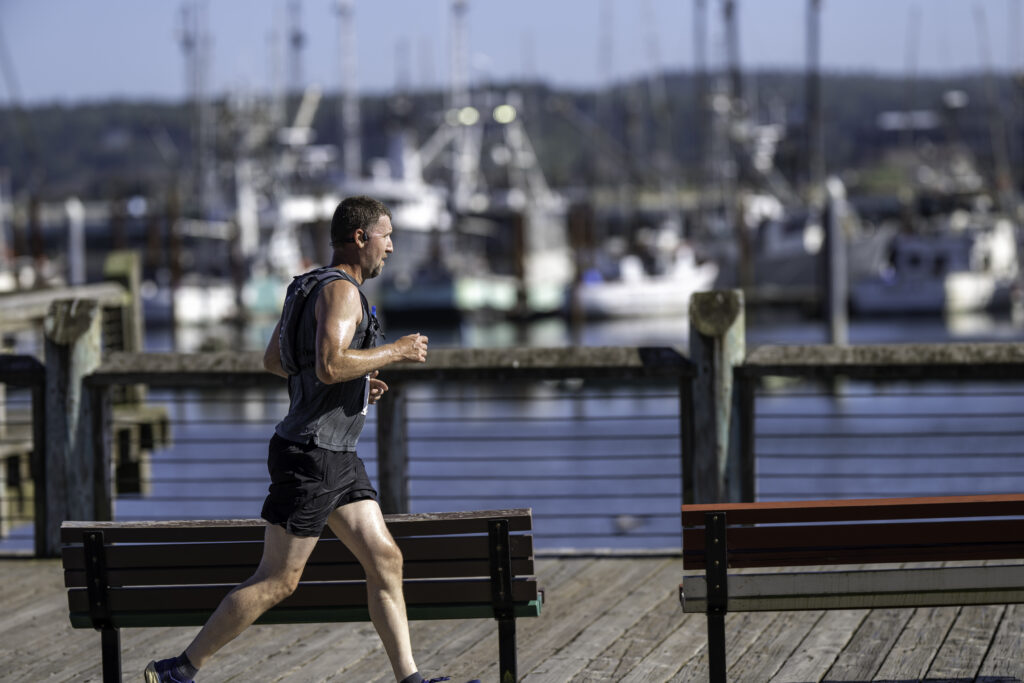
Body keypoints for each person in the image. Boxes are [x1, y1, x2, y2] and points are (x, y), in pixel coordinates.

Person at [146, 196, 478, 683]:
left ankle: (411, 679)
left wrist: (356, 384)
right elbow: (328, 364)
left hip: (334, 455)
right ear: (361, 237)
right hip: (312, 456)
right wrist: (396, 351)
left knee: (385, 558)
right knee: (279, 580)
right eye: (386, 236)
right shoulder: (342, 292)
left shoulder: (305, 287)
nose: (392, 247)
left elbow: (277, 361)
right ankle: (180, 668)